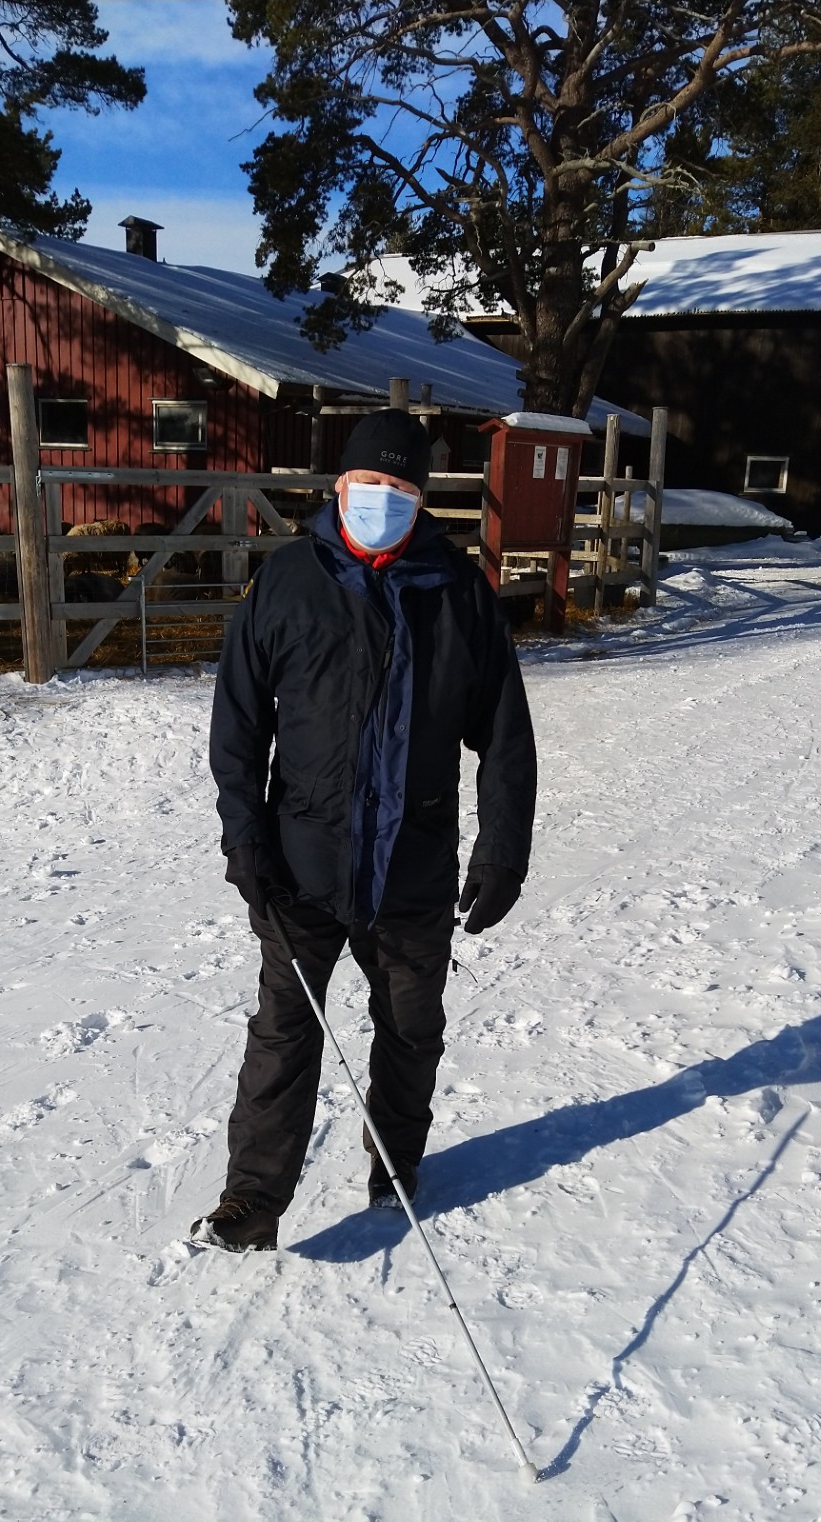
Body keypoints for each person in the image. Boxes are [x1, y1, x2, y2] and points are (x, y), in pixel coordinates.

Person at [193, 408, 538, 1252]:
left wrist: (502, 851)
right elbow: (238, 726)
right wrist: (245, 840)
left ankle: (396, 1160)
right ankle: (253, 1199)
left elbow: (504, 735)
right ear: (338, 487)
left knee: (411, 1025)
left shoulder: (460, 595)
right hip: (300, 861)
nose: (380, 497)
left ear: (421, 501)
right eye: (368, 483)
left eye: (400, 487)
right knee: (284, 1029)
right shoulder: (288, 583)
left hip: (412, 864)